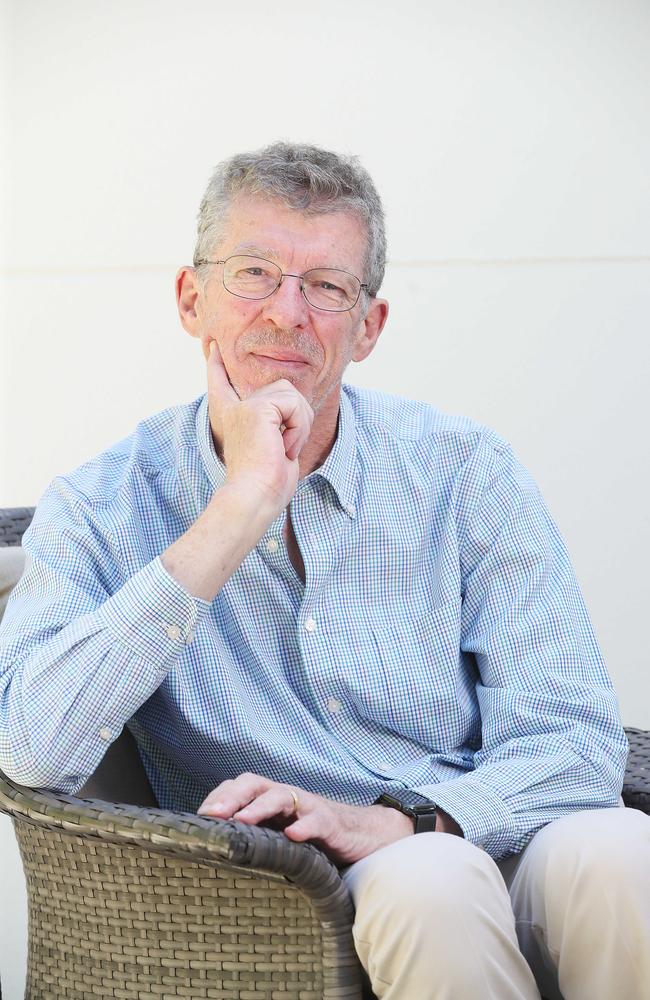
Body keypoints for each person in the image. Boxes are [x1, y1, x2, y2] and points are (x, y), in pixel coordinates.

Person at [0, 142, 648, 1000]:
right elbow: (32, 750)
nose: (287, 313)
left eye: (327, 287)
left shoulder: (463, 472)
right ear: (193, 301)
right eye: (254, 273)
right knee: (433, 884)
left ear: (369, 327)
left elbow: (575, 740)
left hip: (484, 825)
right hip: (282, 892)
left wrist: (413, 820)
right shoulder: (102, 505)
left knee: (620, 850)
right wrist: (238, 508)